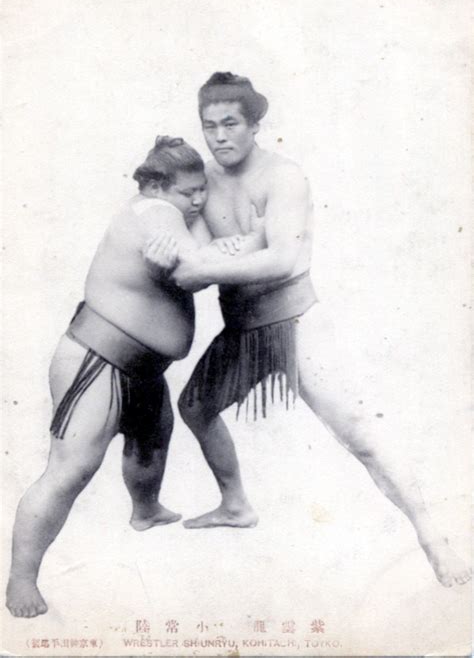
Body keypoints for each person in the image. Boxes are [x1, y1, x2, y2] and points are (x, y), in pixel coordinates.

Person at [150, 72, 471, 588]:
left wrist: (231, 255)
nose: (218, 137)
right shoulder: (202, 181)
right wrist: (234, 248)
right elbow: (191, 263)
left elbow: (281, 262)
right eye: (208, 126)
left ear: (256, 124)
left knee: (360, 436)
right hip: (243, 327)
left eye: (230, 123)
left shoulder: (284, 177)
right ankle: (235, 505)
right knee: (194, 407)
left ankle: (433, 536)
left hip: (296, 321)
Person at [6, 134, 262, 619]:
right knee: (71, 469)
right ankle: (21, 578)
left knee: (150, 447)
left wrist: (216, 243)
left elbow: (202, 252)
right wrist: (245, 242)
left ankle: (146, 512)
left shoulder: (175, 215)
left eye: (201, 191)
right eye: (188, 192)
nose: (198, 200)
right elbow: (199, 267)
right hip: (97, 358)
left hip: (143, 368)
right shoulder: (155, 213)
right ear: (157, 186)